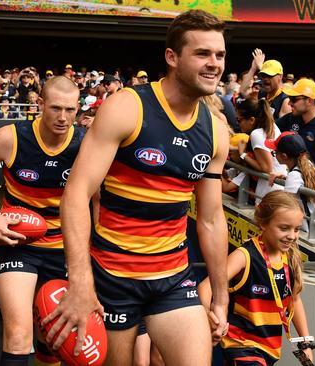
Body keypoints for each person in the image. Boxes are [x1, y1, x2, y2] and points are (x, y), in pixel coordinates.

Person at [42, 10, 230, 366]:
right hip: (112, 277)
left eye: (219, 55)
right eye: (203, 54)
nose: (214, 64)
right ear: (172, 57)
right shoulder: (127, 107)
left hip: (174, 278)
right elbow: (77, 194)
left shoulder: (217, 131)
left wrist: (219, 296)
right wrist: (80, 282)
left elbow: (210, 219)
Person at [0, 76, 85, 366]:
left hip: (65, 247)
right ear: (39, 104)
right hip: (18, 243)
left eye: (70, 110)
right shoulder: (11, 137)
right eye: (55, 108)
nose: (63, 117)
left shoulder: (86, 144)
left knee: (52, 338)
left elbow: (99, 199)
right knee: (17, 334)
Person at [199, 190, 313, 366]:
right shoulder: (244, 255)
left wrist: (305, 343)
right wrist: (208, 316)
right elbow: (205, 287)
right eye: (284, 228)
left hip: (269, 348)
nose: (292, 236)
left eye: (296, 229)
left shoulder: (290, 257)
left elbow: (294, 300)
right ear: (263, 223)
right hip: (241, 344)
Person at [267, 132, 315, 241]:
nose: (274, 154)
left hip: (314, 233)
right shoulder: (307, 164)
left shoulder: (294, 175)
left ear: (284, 156)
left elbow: (285, 206)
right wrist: (286, 177)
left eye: (275, 152)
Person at [233, 98, 286, 203]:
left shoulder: (256, 134)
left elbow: (267, 168)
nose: (238, 124)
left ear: (252, 120)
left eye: (239, 120)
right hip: (278, 186)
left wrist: (242, 154)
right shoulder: (272, 126)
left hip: (268, 189)